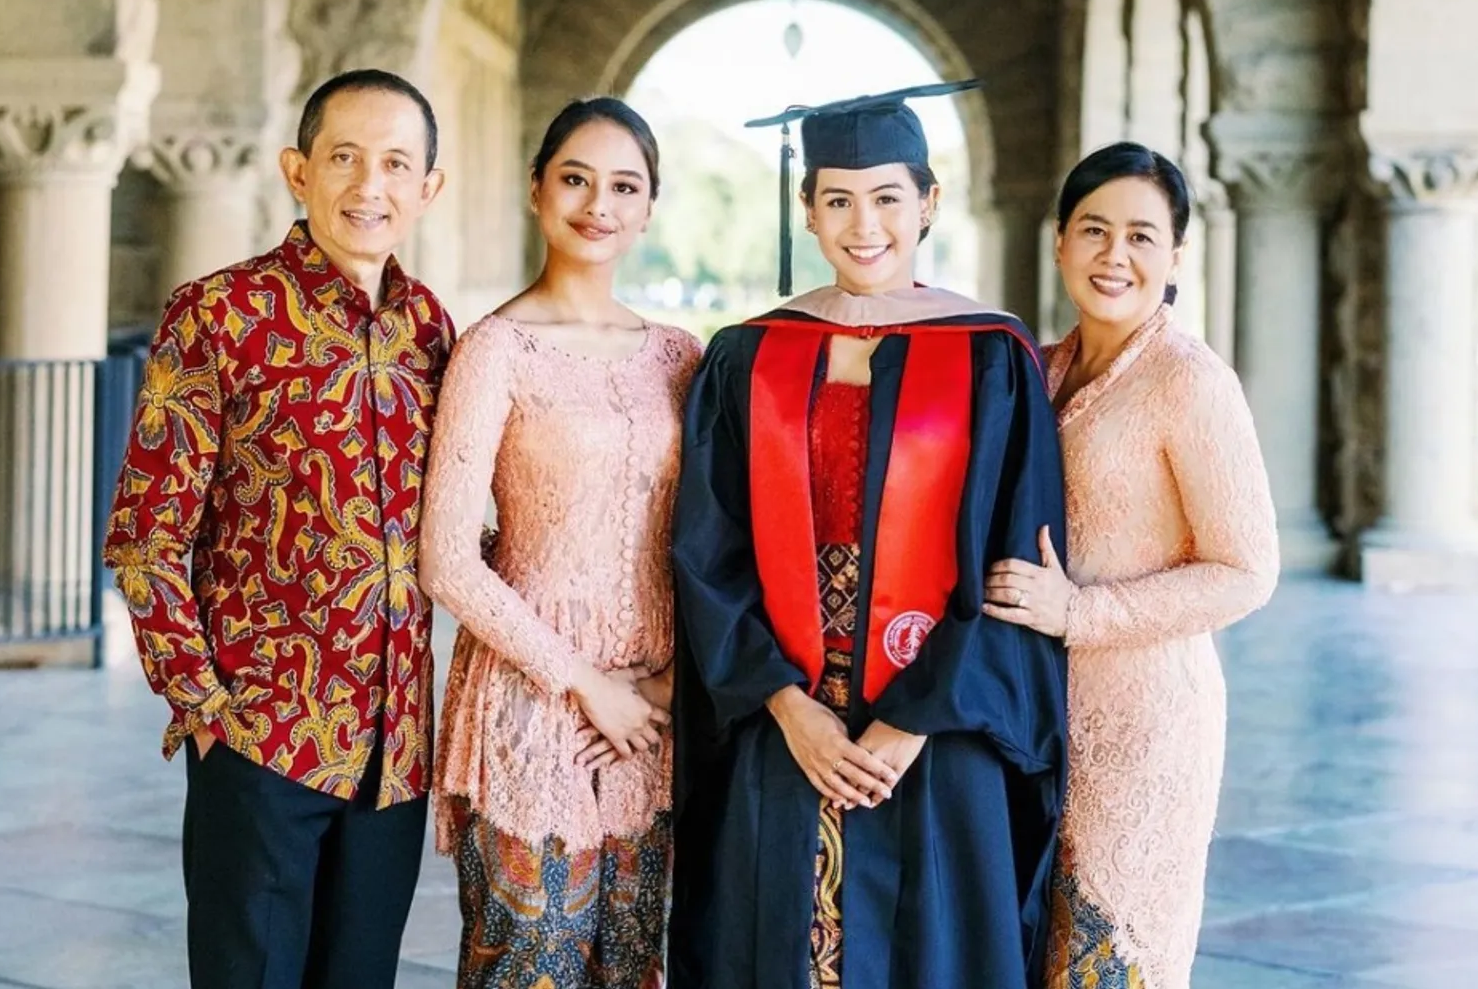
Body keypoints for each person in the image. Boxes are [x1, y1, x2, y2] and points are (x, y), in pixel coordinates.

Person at [669, 83, 1070, 989]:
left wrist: (911, 723)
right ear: (807, 209)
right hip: (783, 717)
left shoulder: (991, 354)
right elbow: (707, 548)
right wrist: (784, 702)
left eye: (888, 197)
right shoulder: (747, 354)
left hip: (937, 726)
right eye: (838, 199)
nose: (864, 224)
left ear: (928, 203)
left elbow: (1018, 562)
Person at [103, 68, 454, 989]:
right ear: (298, 170)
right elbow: (146, 536)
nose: (367, 186)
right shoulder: (217, 314)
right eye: (344, 157)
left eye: (394, 164)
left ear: (429, 188)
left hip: (395, 749)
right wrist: (207, 711)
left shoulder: (430, 330)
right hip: (262, 736)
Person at [418, 97, 702, 989]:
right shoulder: (495, 350)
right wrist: (585, 686)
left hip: (651, 712)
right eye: (575, 178)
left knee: (633, 964)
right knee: (528, 965)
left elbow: (711, 542)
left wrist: (659, 686)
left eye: (624, 185)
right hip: (530, 699)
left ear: (649, 207)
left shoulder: (683, 359)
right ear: (536, 190)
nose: (597, 204)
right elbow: (447, 558)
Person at [980, 142, 1279, 989]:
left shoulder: (1190, 381)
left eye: (1142, 237)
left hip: (1145, 730)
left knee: (1113, 959)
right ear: (1060, 241)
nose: (1116, 256)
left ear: (1175, 256)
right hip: (1033, 718)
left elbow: (1247, 569)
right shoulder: (1039, 366)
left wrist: (1080, 613)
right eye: (1095, 230)